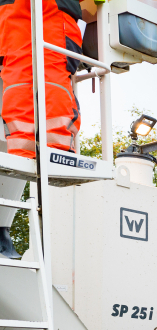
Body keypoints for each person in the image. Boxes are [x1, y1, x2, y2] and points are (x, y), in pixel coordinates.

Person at [0, 0, 89, 259]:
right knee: (48, 75)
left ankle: (33, 150)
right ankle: (55, 151)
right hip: (45, 10)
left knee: (21, 75)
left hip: (20, 9)